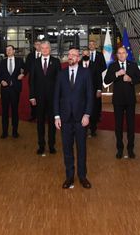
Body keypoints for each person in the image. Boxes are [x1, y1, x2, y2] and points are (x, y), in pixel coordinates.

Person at [54, 48, 93, 189]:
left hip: (81, 118)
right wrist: (57, 116)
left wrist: (87, 114)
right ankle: (69, 177)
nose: (70, 57)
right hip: (65, 119)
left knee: (81, 149)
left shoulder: (86, 73)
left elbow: (90, 96)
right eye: (69, 55)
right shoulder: (61, 74)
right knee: (67, 149)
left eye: (73, 55)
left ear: (78, 58)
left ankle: (82, 176)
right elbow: (56, 96)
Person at [104, 46, 140, 159]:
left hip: (130, 100)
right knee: (118, 126)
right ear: (117, 55)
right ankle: (119, 149)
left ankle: (130, 149)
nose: (121, 55)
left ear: (127, 54)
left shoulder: (133, 65)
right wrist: (116, 74)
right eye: (119, 53)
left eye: (123, 53)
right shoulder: (113, 66)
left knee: (131, 126)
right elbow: (106, 81)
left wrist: (131, 80)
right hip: (118, 101)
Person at [29, 41, 60, 155]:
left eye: (47, 48)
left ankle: (52, 145)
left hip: (52, 99)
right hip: (39, 98)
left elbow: (59, 81)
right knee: (40, 123)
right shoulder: (35, 62)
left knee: (52, 123)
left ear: (50, 49)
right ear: (40, 49)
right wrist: (32, 96)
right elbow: (31, 81)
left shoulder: (56, 62)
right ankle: (41, 145)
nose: (45, 50)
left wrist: (59, 97)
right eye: (43, 48)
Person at [0, 45, 24, 138]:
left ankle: (15, 131)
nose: (8, 51)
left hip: (15, 89)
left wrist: (22, 74)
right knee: (4, 111)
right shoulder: (3, 62)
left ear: (13, 51)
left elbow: (25, 70)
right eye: (6, 50)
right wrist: (1, 81)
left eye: (9, 50)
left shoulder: (20, 61)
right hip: (5, 90)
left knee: (15, 111)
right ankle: (4, 132)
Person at [88, 41, 105, 136]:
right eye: (89, 44)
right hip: (87, 81)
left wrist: (96, 72)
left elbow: (104, 66)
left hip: (96, 80)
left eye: (93, 44)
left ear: (95, 46)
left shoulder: (100, 55)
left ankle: (98, 115)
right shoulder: (86, 55)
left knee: (97, 100)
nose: (91, 46)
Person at [26, 40, 43, 122]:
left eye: (40, 44)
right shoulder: (30, 56)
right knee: (33, 97)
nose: (38, 46)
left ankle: (43, 114)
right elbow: (27, 67)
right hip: (32, 80)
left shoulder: (45, 54)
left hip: (44, 81)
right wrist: (23, 74)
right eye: (37, 44)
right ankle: (34, 115)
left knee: (43, 97)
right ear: (34, 46)